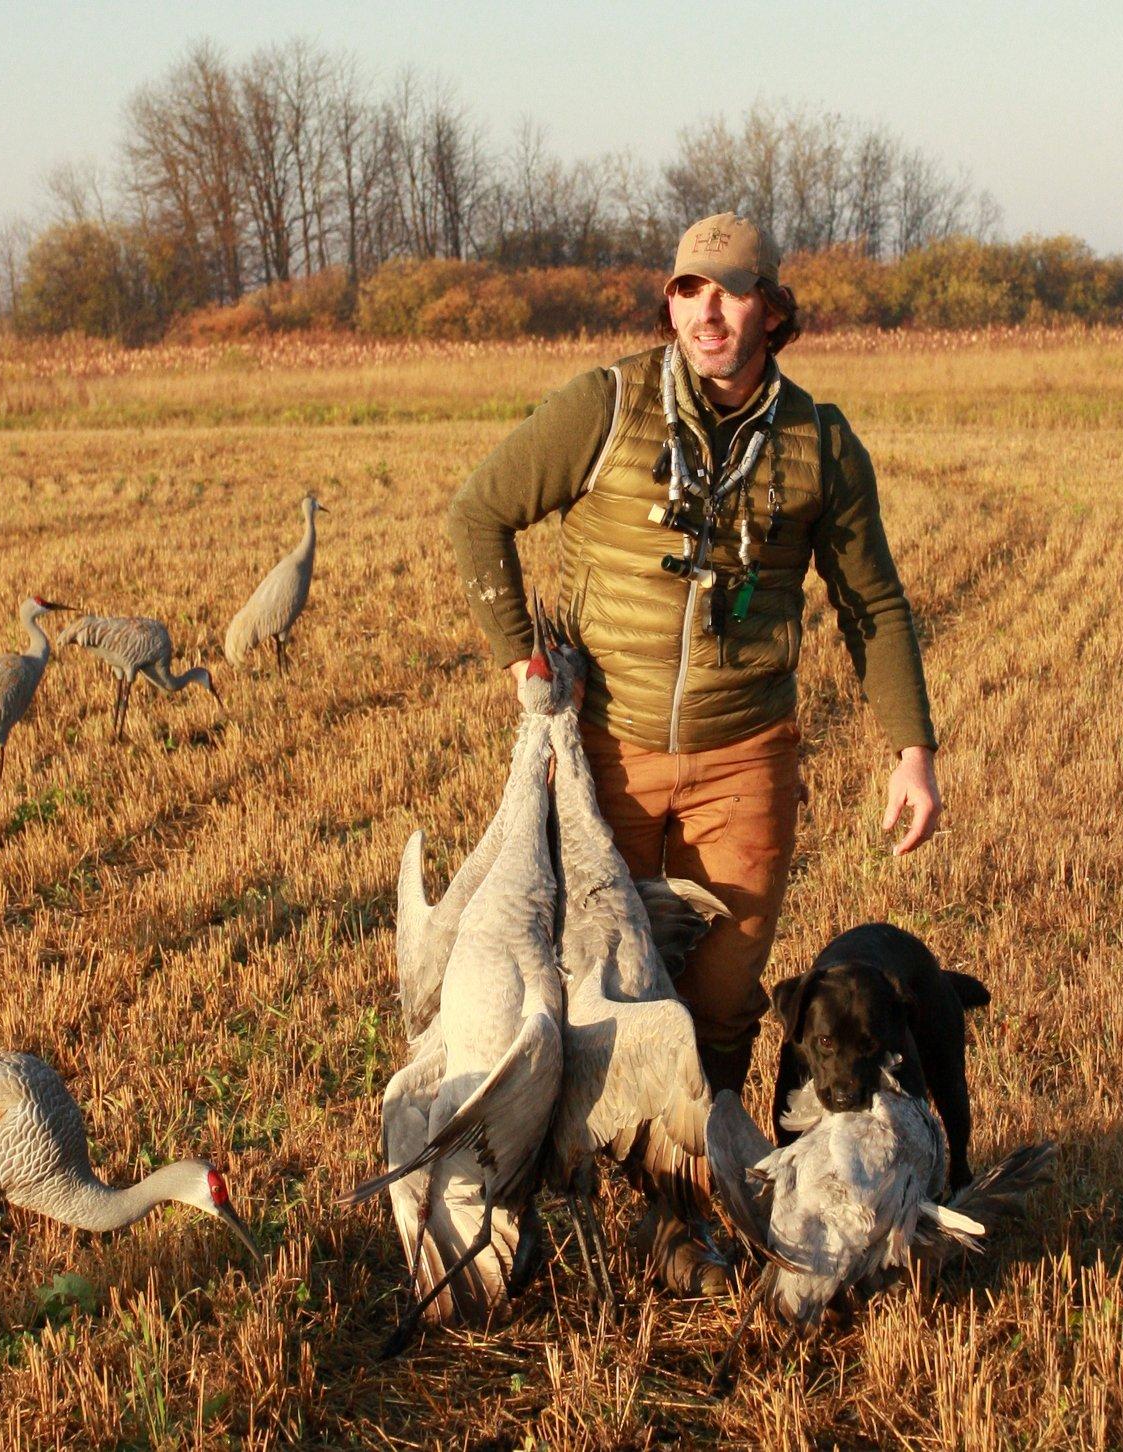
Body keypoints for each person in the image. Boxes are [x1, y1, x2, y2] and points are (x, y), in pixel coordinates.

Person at [446, 212, 941, 1294]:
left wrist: (910, 748)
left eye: (729, 289)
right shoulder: (608, 407)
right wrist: (519, 654)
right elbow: (478, 511)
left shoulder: (817, 443)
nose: (707, 311)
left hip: (744, 757)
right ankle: (595, 1208)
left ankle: (686, 1213)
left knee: (719, 1004)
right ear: (669, 305)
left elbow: (873, 602)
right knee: (607, 1001)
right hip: (605, 759)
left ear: (772, 308)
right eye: (687, 290)